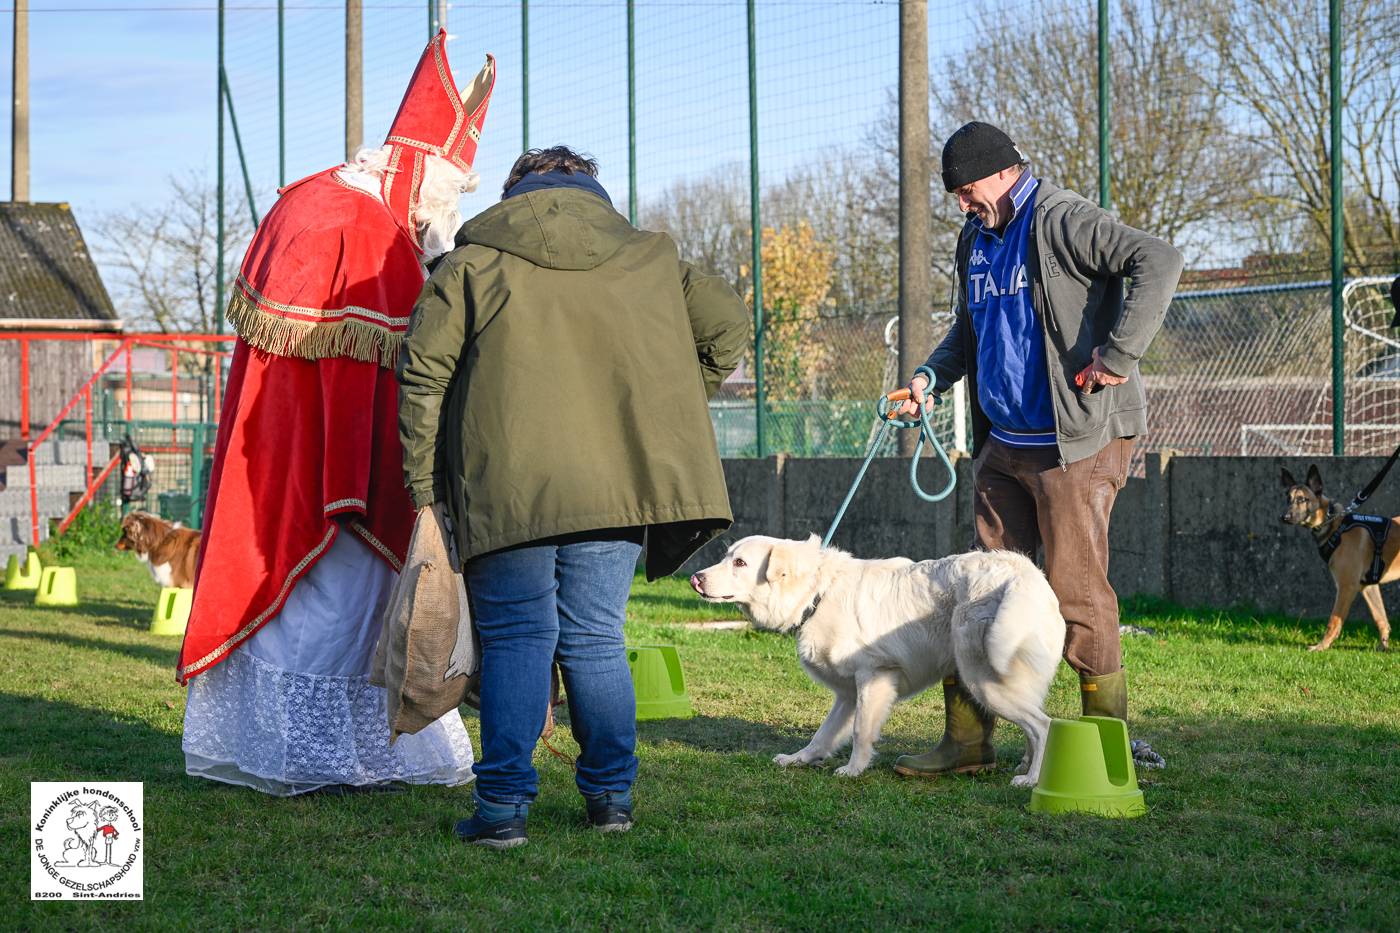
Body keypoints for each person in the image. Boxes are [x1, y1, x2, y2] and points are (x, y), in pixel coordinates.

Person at [398, 145, 749, 848]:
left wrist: (422, 483)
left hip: (508, 486)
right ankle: (611, 800)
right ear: (591, 191)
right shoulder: (649, 256)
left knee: (518, 639)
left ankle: (501, 809)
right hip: (619, 486)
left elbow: (423, 375)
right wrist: (662, 411)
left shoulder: (472, 262)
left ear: (513, 194)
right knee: (596, 638)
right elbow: (727, 330)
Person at [177, 32, 495, 795]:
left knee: (337, 612)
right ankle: (315, 756)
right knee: (328, 610)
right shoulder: (353, 224)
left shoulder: (317, 198)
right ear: (418, 171)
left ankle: (314, 752)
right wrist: (370, 478)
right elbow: (362, 375)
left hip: (286, 458)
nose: (439, 217)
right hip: (315, 474)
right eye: (444, 194)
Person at [893, 121, 1182, 777]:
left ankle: (1103, 746)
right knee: (979, 592)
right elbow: (969, 331)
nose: (962, 204)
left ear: (1002, 171)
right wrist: (929, 378)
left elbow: (1159, 259)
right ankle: (968, 742)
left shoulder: (1061, 218)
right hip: (1004, 446)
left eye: (967, 190)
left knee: (1076, 593)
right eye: (956, 196)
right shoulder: (976, 238)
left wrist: (1117, 356)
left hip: (1074, 442)